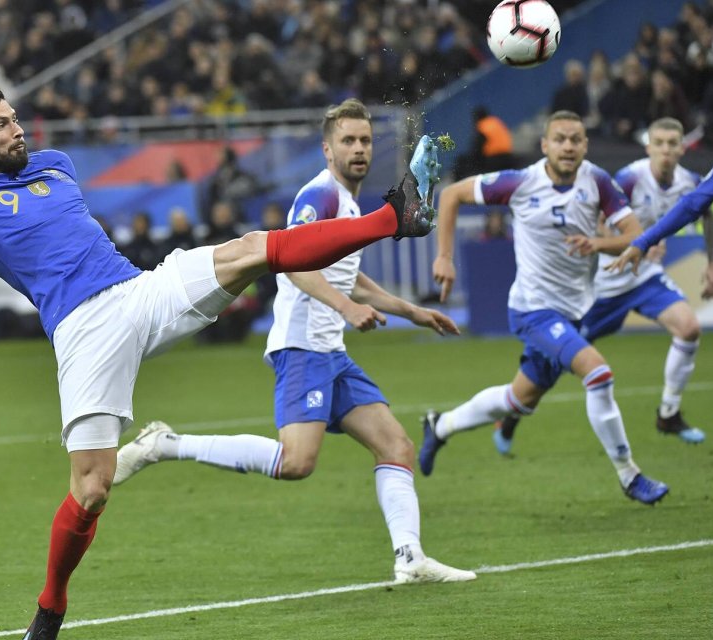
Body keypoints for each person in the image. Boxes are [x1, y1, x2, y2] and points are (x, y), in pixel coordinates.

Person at [0, 38, 438, 640]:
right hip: (83, 331)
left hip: (138, 293)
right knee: (92, 489)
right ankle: (51, 608)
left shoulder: (56, 164)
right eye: (2, 125)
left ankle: (393, 218)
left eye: (16, 117)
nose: (18, 130)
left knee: (251, 249)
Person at [111, 99, 475, 586]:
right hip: (302, 347)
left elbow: (352, 278)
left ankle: (410, 558)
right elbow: (292, 262)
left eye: (365, 140)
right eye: (348, 140)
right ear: (327, 149)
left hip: (332, 353)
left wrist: (414, 312)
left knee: (396, 446)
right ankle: (165, 444)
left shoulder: (350, 204)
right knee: (295, 463)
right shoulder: (319, 196)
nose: (359, 149)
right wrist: (346, 309)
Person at [425, 110, 669, 506]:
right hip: (533, 310)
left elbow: (635, 235)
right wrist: (444, 257)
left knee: (517, 400)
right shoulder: (519, 182)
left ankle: (440, 426)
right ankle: (630, 475)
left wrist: (597, 244)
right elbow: (451, 194)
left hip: (573, 311)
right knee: (599, 373)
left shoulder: (598, 182)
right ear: (545, 145)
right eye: (560, 139)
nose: (568, 146)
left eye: (576, 139)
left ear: (585, 146)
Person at [494, 118, 713, 452]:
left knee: (688, 327)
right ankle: (510, 416)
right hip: (603, 284)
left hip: (644, 278)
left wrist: (712, 264)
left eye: (673, 143)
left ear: (683, 147)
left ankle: (668, 413)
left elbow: (708, 214)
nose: (667, 150)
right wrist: (638, 241)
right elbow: (596, 225)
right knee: (551, 366)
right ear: (649, 147)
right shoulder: (629, 178)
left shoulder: (690, 182)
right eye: (660, 143)